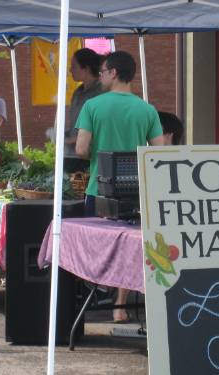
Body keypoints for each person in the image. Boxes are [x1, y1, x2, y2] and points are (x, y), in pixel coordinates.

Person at [75, 51, 164, 323]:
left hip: (98, 190)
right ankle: (120, 306)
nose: (101, 76)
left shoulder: (93, 106)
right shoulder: (147, 110)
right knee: (128, 248)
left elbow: (80, 149)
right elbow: (159, 152)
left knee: (99, 246)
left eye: (102, 72)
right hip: (136, 192)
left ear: (113, 72)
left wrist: (95, 151)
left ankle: (97, 291)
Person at [63, 48, 103, 174]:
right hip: (70, 155)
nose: (70, 70)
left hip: (88, 157)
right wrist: (62, 135)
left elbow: (101, 132)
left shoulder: (100, 92)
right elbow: (76, 124)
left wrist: (72, 139)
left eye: (73, 66)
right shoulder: (77, 91)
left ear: (86, 68)